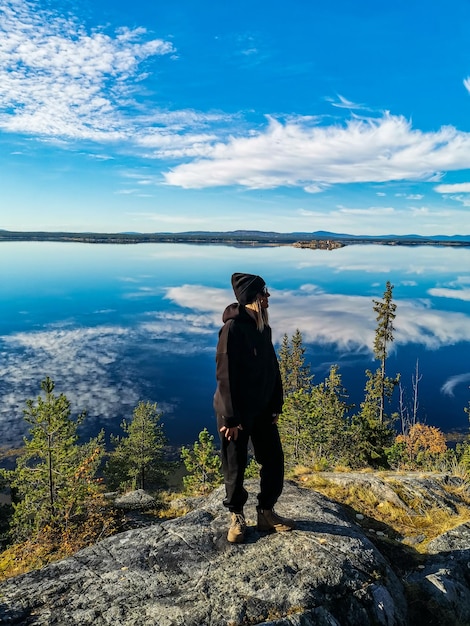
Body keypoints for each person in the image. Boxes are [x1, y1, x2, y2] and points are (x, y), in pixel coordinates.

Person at [213, 272, 295, 543]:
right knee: (236, 465)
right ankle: (236, 516)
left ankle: (266, 512)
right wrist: (230, 417)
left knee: (273, 460)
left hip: (261, 410)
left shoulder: (263, 328)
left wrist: (276, 405)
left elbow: (273, 369)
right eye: (264, 293)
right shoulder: (232, 329)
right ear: (253, 298)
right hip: (236, 413)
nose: (268, 297)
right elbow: (225, 376)